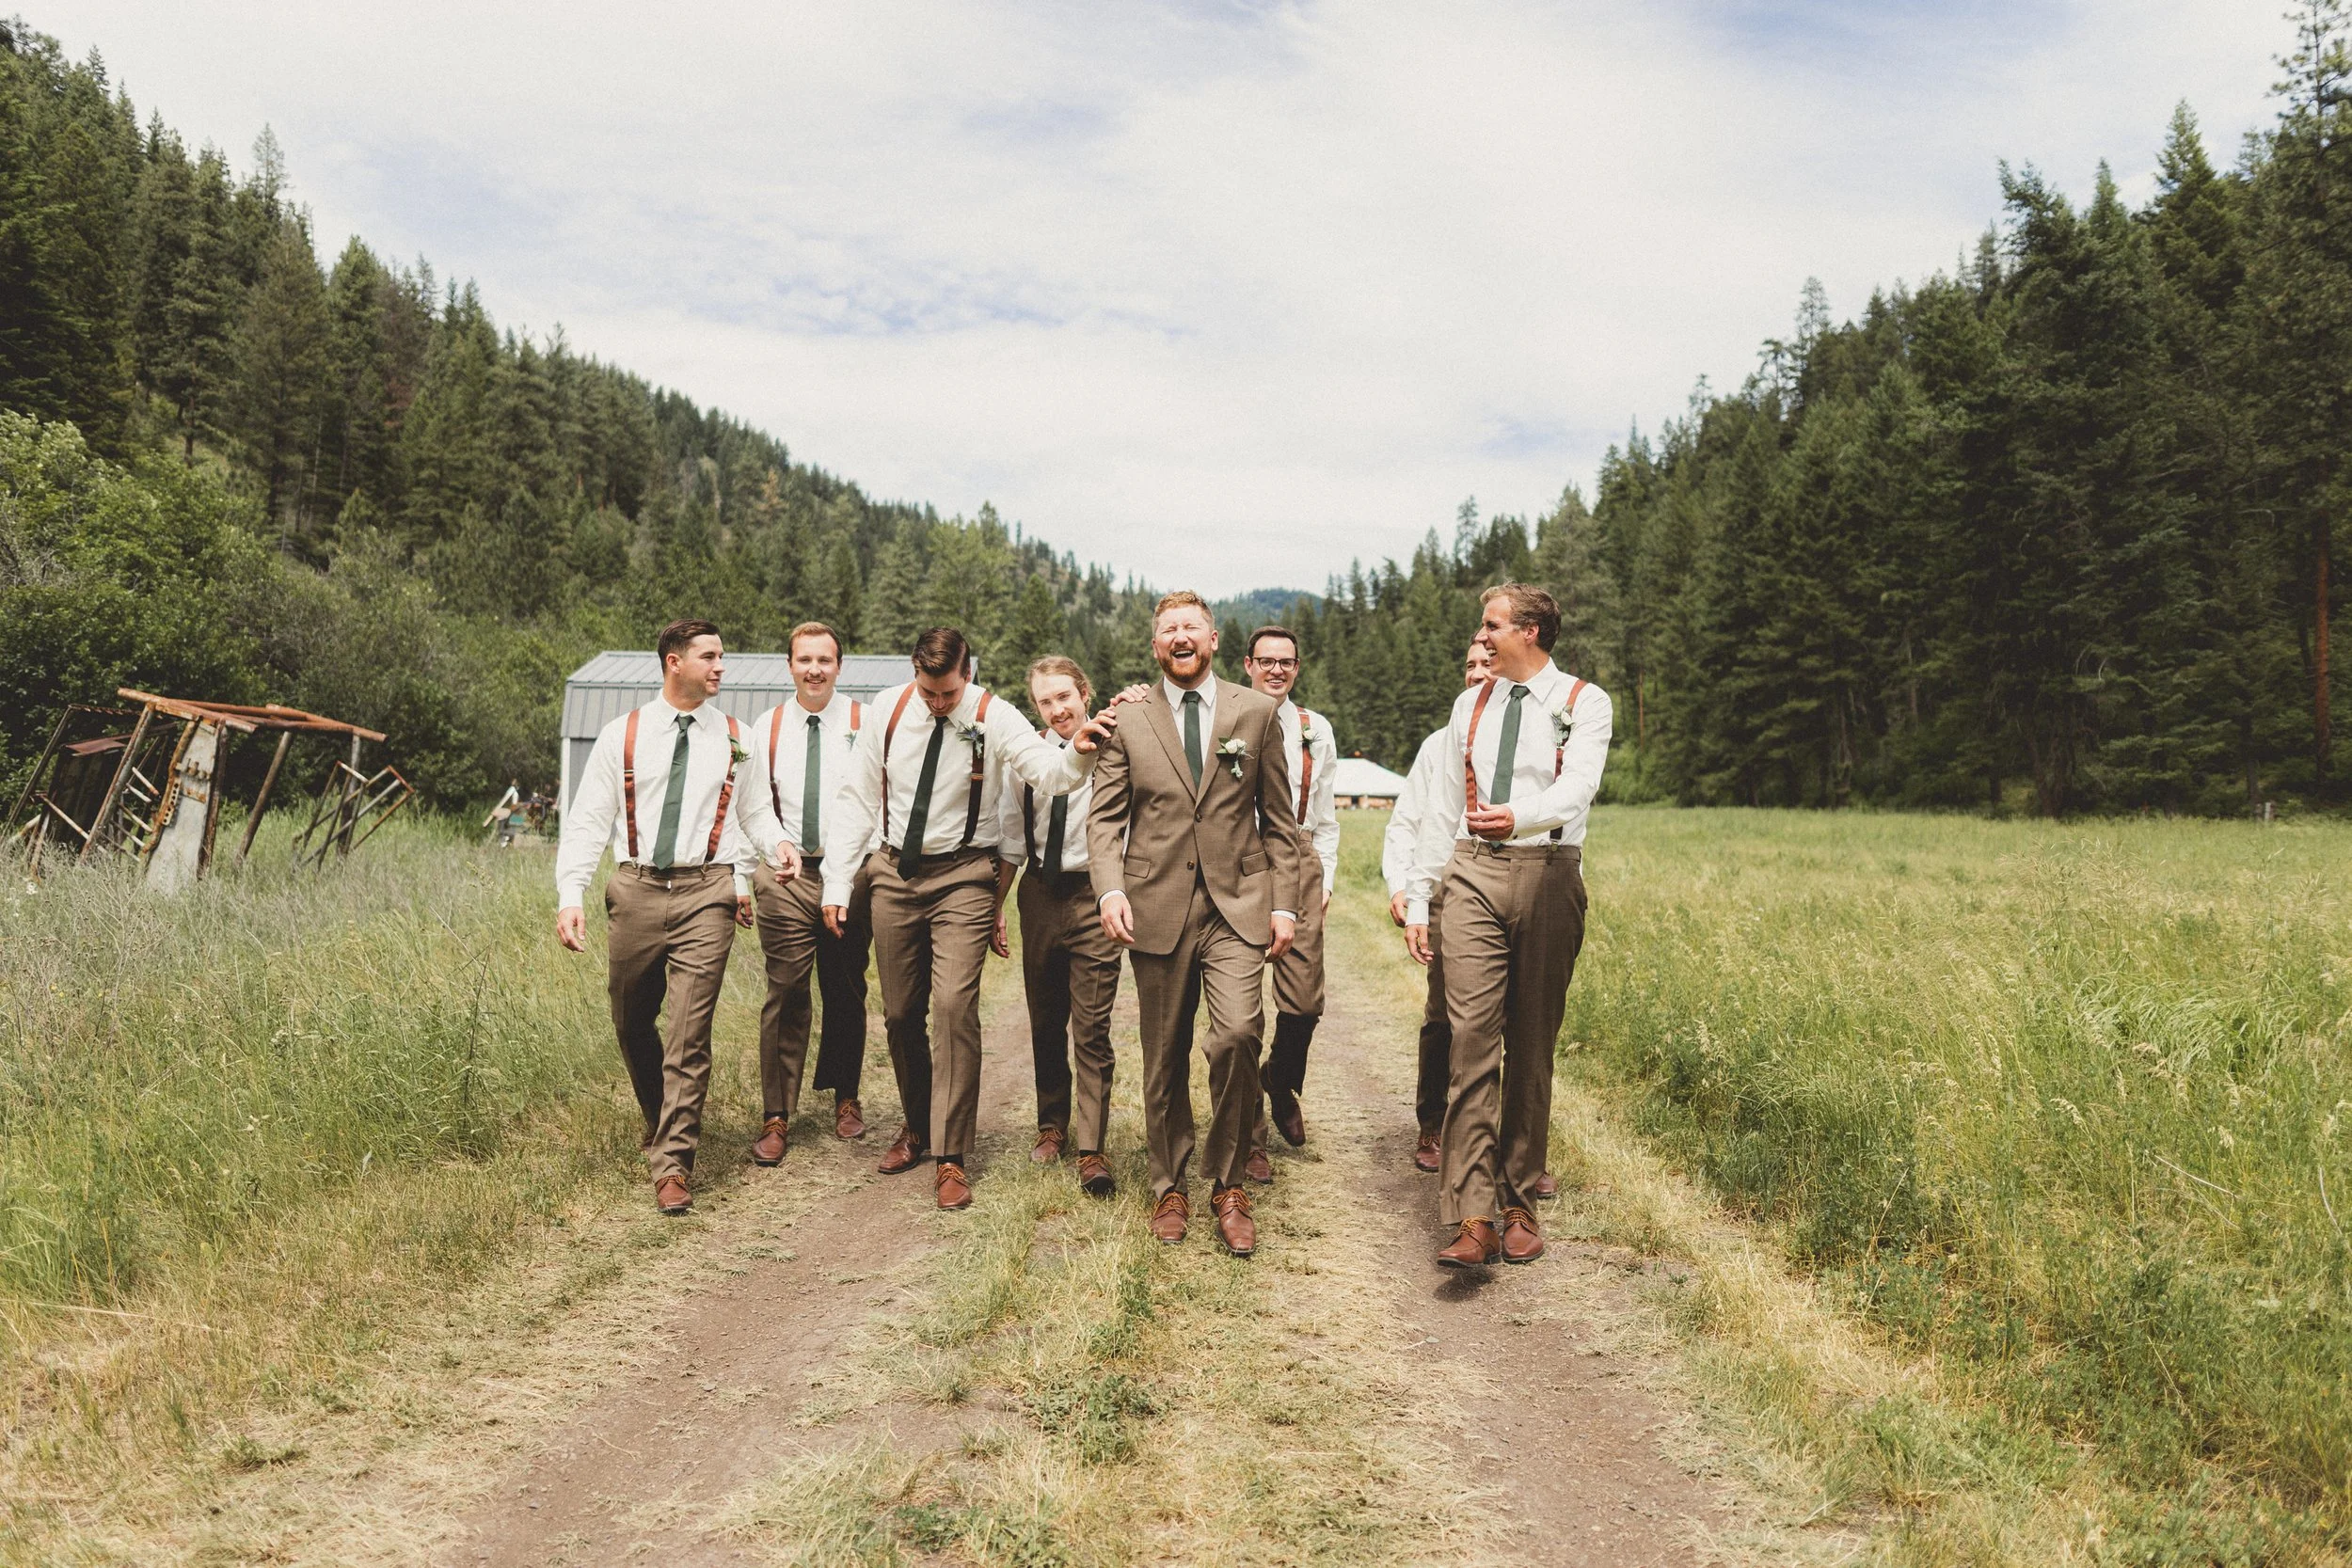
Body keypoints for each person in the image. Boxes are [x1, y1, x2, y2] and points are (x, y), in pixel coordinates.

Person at [821, 626, 1114, 1212]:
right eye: (928, 692)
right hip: (894, 873)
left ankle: (951, 1156)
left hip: (965, 876)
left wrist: (1079, 749)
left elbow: (1049, 775)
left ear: (968, 675)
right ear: (914, 674)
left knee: (954, 1006)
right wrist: (836, 879)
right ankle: (918, 1125)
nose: (937, 704)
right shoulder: (887, 708)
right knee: (902, 1012)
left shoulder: (995, 714)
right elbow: (857, 796)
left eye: (948, 694)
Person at [1088, 592, 1301, 1259]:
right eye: (1168, 630)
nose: (1180, 637)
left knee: (1237, 1034)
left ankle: (1229, 1182)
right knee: (1164, 1052)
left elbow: (1281, 823)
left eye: (1191, 627)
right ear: (1157, 646)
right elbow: (1103, 818)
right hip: (1154, 904)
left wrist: (1284, 903)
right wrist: (1110, 889)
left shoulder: (1256, 712)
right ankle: (1169, 1182)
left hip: (1237, 904)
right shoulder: (1129, 718)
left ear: (1212, 638)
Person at [1404, 585, 1612, 1268]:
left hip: (1550, 871)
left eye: (1491, 625)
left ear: (1529, 631)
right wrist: (1419, 896)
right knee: (1470, 1038)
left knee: (1529, 1044)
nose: (1482, 637)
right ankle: (1472, 1213)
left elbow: (1577, 787)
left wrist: (1517, 816)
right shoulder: (1470, 703)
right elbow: (1440, 809)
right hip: (1472, 872)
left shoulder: (1586, 702)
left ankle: (1519, 1198)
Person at [556, 619, 780, 1216]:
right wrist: (570, 894)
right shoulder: (621, 735)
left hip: (708, 890)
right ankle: (662, 1121)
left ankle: (674, 1163)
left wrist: (777, 845)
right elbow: (586, 819)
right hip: (634, 890)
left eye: (722, 657)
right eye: (709, 657)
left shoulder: (737, 736)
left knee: (689, 1030)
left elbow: (755, 811)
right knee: (631, 1019)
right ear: (673, 663)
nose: (720, 668)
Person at [731, 622, 877, 1169]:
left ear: (840, 666)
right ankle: (777, 1114)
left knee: (845, 986)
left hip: (851, 875)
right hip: (788, 877)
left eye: (825, 660)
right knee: (786, 989)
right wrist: (742, 876)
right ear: (789, 665)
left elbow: (877, 800)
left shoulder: (863, 724)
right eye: (804, 660)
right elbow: (751, 808)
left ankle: (845, 1094)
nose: (814, 669)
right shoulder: (765, 729)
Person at [993, 656, 1123, 1197]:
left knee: (1091, 1027)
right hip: (1041, 896)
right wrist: (996, 906)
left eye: (1064, 696)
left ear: (1084, 693)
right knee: (1046, 1020)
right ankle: (1052, 1125)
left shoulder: (1116, 749)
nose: (1057, 708)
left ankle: (1091, 1147)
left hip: (1097, 894)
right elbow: (1009, 842)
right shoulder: (1027, 760)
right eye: (1046, 701)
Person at [1386, 641, 1491, 1174]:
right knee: (1446, 1013)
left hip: (1517, 886)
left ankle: (1505, 1133)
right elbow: (1408, 822)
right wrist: (1406, 888)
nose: (1476, 673)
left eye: (1486, 663)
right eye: (1469, 665)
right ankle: (1433, 1122)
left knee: (1510, 1019)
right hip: (1450, 886)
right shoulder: (1438, 744)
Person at [1240, 625, 1337, 1182]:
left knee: (1303, 1002)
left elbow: (1324, 813)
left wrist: (1324, 875)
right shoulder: (1227, 716)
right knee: (1241, 1007)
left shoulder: (1313, 728)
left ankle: (1280, 1077)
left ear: (1297, 668)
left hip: (1299, 857)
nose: (1277, 670)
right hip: (1240, 857)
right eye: (1267, 661)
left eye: (1287, 662)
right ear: (1248, 664)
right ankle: (1250, 1131)